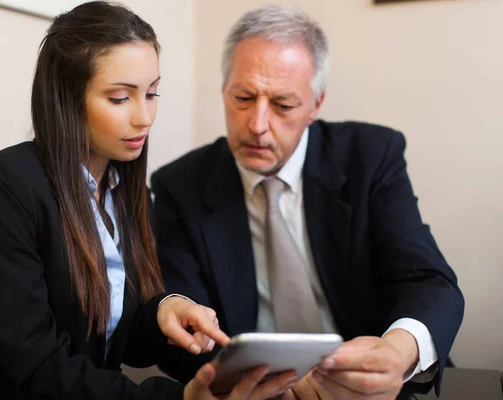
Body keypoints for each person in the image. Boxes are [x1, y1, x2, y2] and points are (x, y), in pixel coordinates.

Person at [0, 2, 301, 399]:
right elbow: (38, 367)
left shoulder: (128, 193)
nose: (145, 117)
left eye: (152, 93)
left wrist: (163, 310)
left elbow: (118, 343)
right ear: (67, 99)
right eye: (121, 98)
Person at [151, 4, 464, 399]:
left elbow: (428, 281)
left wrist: (396, 353)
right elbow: (183, 336)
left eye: (283, 105)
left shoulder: (369, 157)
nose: (257, 125)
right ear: (223, 90)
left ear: (315, 105)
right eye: (243, 97)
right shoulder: (180, 185)